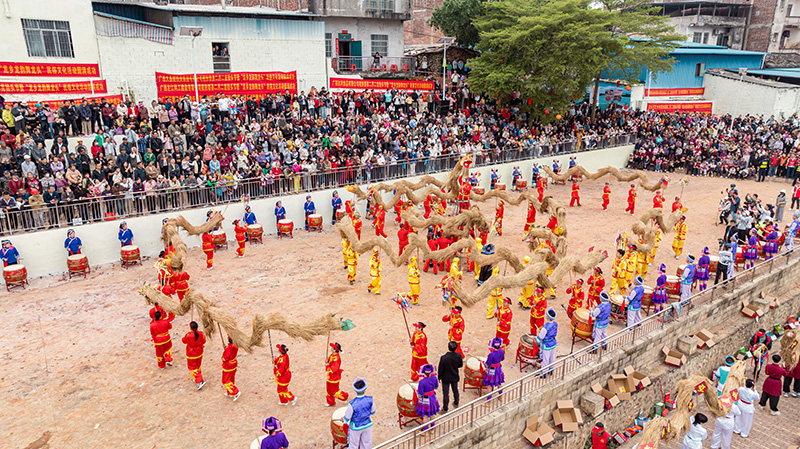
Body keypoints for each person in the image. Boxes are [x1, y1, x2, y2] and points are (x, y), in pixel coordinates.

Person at [344, 378, 375, 449]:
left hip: (355, 427)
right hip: (367, 425)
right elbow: (373, 412)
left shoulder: (352, 404)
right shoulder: (370, 400)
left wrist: (343, 419)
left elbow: (347, 417)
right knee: (367, 444)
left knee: (353, 445)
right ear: (365, 389)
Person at [438, 340, 463, 413]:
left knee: (446, 393)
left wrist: (439, 377)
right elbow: (460, 365)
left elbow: (441, 369)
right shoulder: (458, 356)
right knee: (455, 390)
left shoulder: (444, 358)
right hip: (454, 375)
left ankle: (445, 408)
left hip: (445, 377)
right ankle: (456, 402)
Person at [181, 321, 206, 391]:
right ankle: (198, 377)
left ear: (190, 328)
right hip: (199, 351)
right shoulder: (201, 333)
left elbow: (184, 341)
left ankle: (200, 380)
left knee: (192, 367)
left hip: (191, 353)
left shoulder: (189, 335)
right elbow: (204, 341)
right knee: (198, 365)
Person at [325, 342, 349, 406]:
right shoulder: (333, 354)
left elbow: (334, 370)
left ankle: (345, 397)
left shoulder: (337, 359)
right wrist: (327, 361)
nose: (331, 349)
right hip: (330, 376)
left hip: (334, 377)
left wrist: (327, 366)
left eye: (332, 348)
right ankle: (331, 402)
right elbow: (330, 361)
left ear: (335, 350)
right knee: (329, 390)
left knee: (334, 391)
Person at [537, 307, 558, 374]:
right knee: (552, 357)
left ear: (547, 317)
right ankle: (551, 369)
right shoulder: (555, 324)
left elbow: (540, 337)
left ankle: (544, 372)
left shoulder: (545, 327)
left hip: (546, 345)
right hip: (553, 343)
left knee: (545, 359)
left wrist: (537, 335)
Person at [222, 336, 241, 401]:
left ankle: (235, 392)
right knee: (231, 378)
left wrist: (225, 350)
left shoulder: (228, 348)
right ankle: (230, 392)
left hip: (228, 365)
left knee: (225, 380)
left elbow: (225, 358)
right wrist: (226, 348)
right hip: (234, 363)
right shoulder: (235, 346)